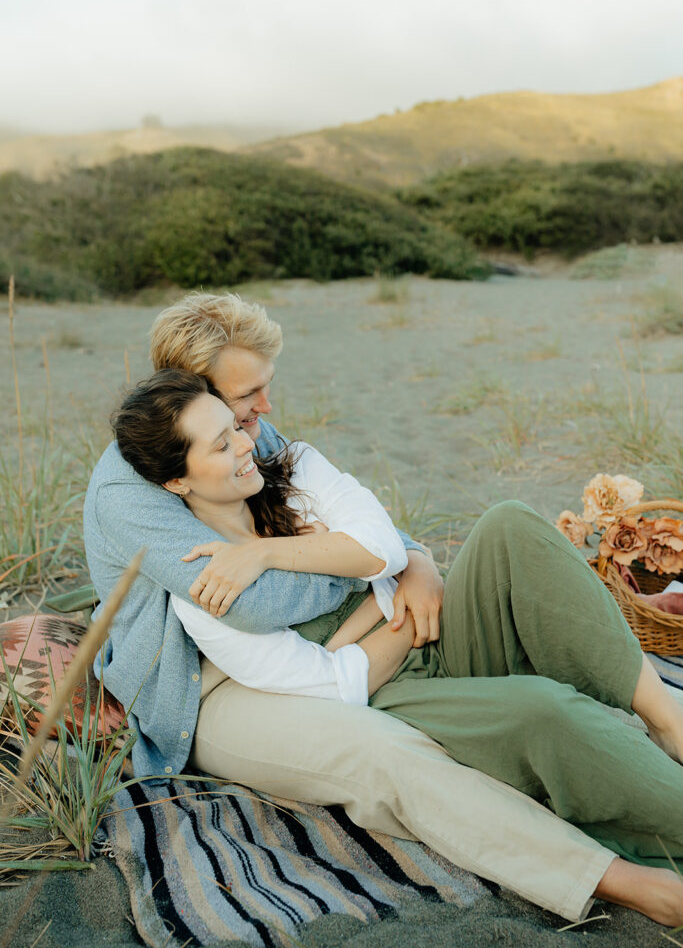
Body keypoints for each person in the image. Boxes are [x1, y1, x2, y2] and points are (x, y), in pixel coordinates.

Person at [83, 291, 680, 926]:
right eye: (245, 396)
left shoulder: (245, 435)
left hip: (346, 629)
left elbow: (361, 526)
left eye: (262, 391)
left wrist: (410, 557)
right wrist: (375, 574)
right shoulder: (131, 493)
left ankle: (664, 719)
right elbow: (257, 608)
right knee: (384, 752)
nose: (263, 409)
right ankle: (620, 879)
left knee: (510, 527)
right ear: (190, 394)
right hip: (216, 684)